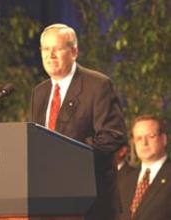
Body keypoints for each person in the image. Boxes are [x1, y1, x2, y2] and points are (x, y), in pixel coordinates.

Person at [30, 23, 127, 220]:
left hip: (90, 204)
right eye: (45, 49)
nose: (51, 56)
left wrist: (67, 154)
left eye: (57, 49)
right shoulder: (39, 92)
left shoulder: (97, 85)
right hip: (48, 202)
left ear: (74, 51)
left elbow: (112, 136)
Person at [120, 115, 171, 220]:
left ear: (164, 139)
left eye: (150, 136)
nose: (144, 143)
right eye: (139, 138)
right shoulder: (125, 180)